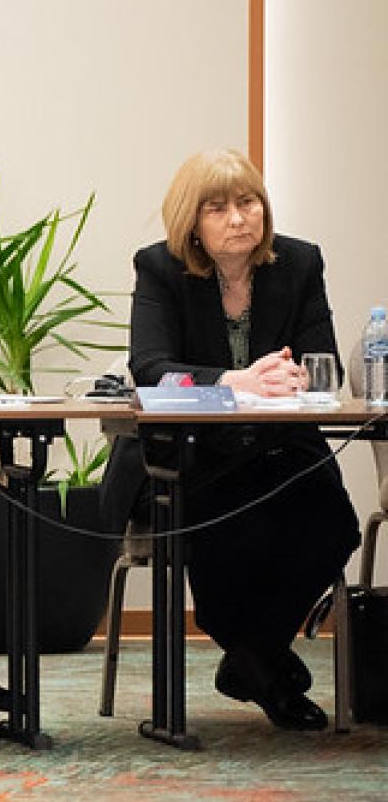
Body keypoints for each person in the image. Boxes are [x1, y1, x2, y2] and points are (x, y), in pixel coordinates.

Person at [111, 148, 359, 730]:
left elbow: (325, 365)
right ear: (191, 222)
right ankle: (269, 671)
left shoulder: (299, 263)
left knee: (333, 524)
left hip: (283, 452)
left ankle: (250, 658)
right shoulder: (160, 269)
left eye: (248, 203)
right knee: (232, 527)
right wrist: (232, 381)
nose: (238, 218)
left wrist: (297, 377)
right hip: (193, 457)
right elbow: (150, 369)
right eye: (218, 207)